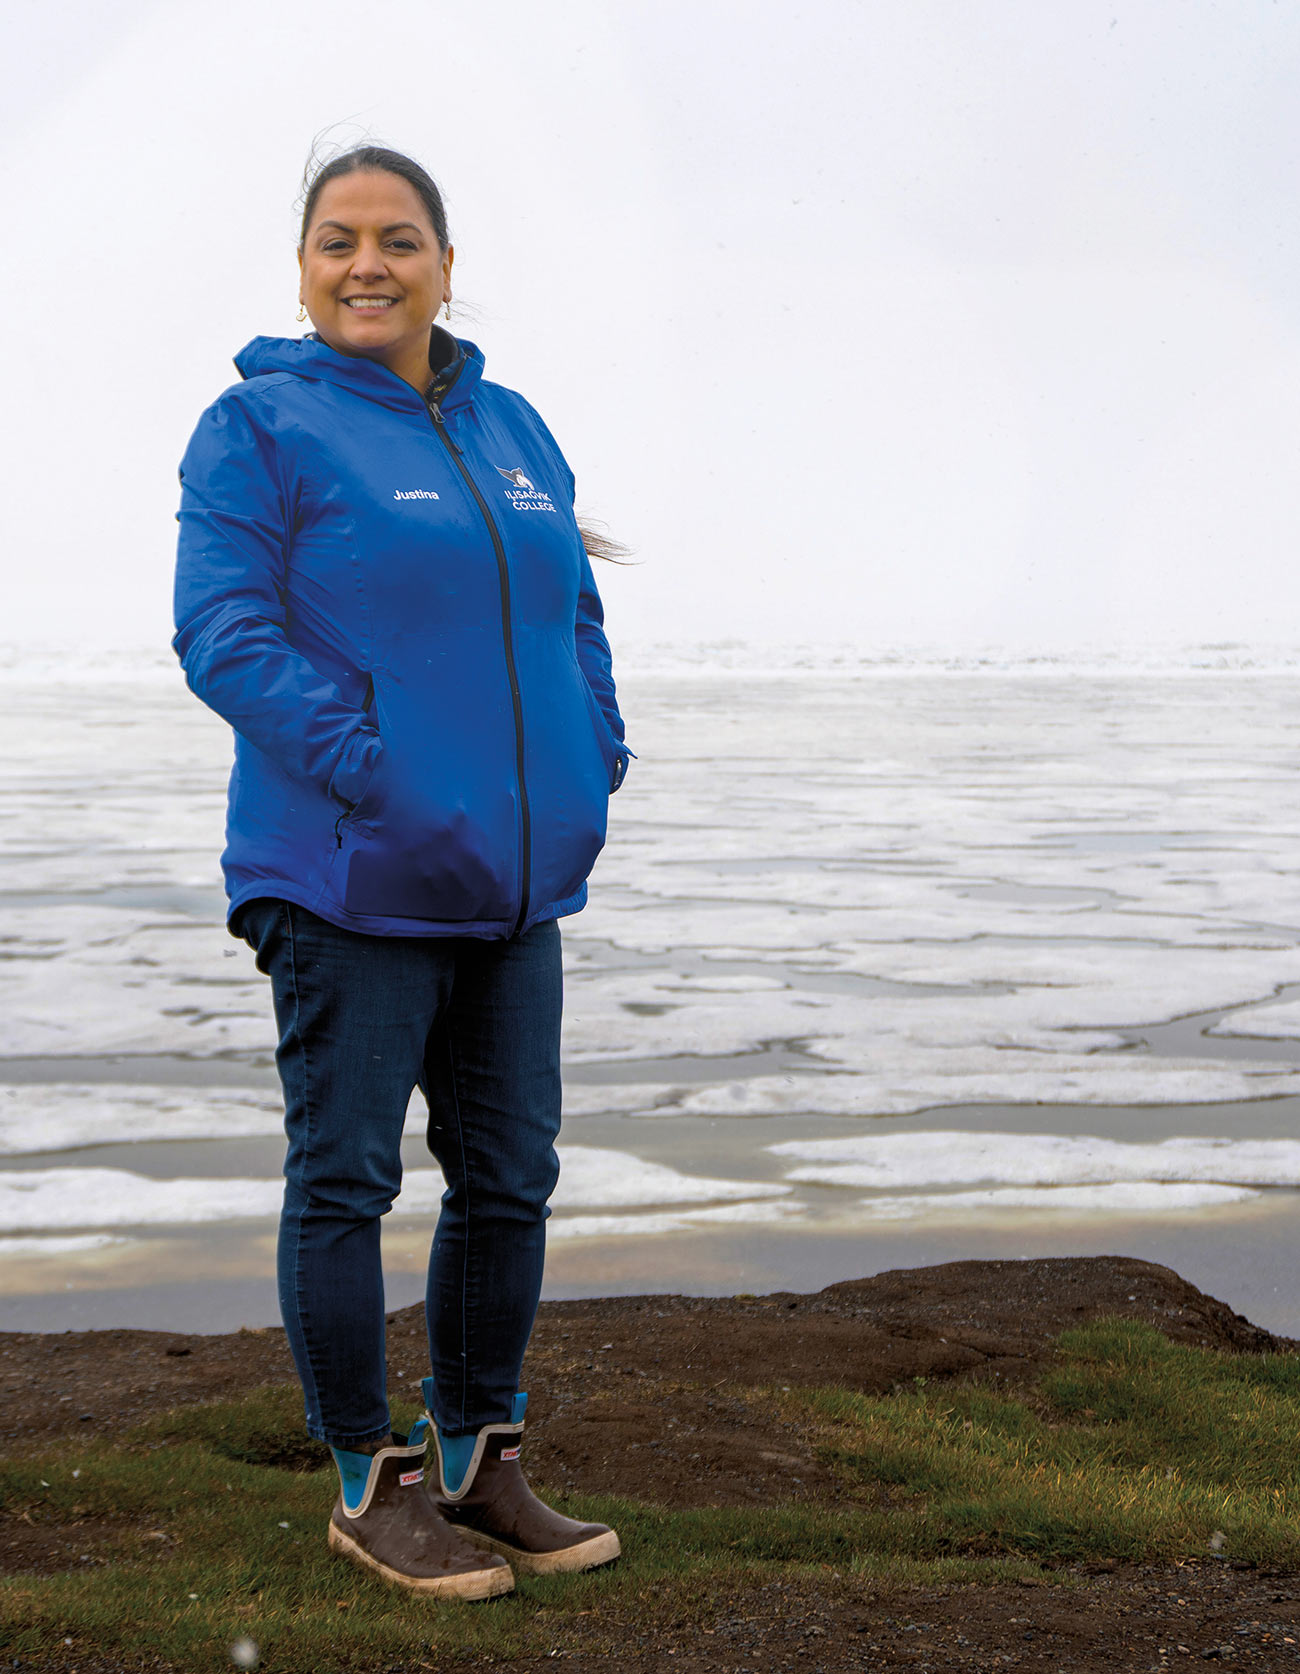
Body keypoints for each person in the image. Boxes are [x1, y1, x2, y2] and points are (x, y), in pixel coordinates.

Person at [173, 144, 630, 1600]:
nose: (367, 262)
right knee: (348, 1176)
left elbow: (573, 618)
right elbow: (223, 633)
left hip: (511, 882)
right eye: (337, 240)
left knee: (509, 1176)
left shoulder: (514, 427)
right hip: (347, 875)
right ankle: (369, 1484)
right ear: (304, 267)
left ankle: (478, 1457)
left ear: (444, 259)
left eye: (397, 238)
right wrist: (380, 772)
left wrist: (592, 754)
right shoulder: (260, 426)